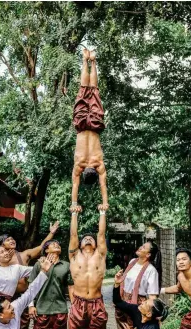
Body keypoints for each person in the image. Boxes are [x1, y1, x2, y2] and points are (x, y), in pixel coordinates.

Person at [0, 221, 59, 329]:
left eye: (12, 239)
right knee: (6, 323)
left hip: (23, 295)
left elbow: (41, 247)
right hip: (8, 296)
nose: (12, 240)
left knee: (23, 324)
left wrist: (51, 233)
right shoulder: (0, 259)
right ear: (2, 244)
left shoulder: (24, 255)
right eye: (8, 240)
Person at [68, 204, 108, 329]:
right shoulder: (74, 256)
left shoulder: (100, 255)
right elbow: (73, 235)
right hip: (78, 304)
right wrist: (74, 214)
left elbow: (101, 234)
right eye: (86, 238)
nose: (88, 239)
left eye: (90, 238)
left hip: (97, 303)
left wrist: (102, 212)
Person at [26, 239, 74, 329]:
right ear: (46, 250)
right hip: (41, 309)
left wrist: (74, 307)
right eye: (52, 244)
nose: (57, 245)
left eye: (58, 244)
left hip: (60, 309)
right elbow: (31, 287)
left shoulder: (66, 266)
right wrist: (30, 305)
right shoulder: (38, 264)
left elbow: (70, 287)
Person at [115, 241, 161, 329]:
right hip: (124, 301)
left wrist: (154, 316)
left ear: (148, 254)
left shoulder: (151, 271)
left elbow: (152, 296)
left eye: (143, 247)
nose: (140, 247)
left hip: (138, 304)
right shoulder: (133, 261)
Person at [71, 48, 108, 212]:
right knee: (84, 88)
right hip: (82, 126)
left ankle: (92, 61)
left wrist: (105, 202)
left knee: (93, 90)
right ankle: (86, 61)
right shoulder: (79, 166)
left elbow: (102, 183)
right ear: (85, 173)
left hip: (93, 126)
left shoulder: (98, 165)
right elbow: (75, 184)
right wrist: (74, 204)